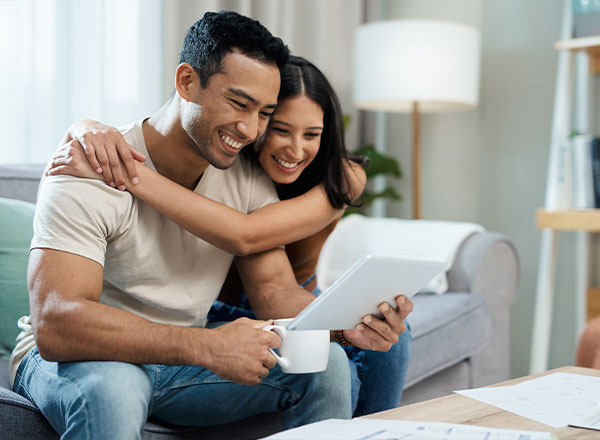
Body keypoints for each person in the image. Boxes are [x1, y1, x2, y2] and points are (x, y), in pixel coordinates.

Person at [11, 10, 412, 440]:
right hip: (81, 359)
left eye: (264, 113)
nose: (249, 128)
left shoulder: (247, 176)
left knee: (327, 365)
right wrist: (205, 345)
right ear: (187, 82)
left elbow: (273, 291)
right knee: (115, 388)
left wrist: (343, 327)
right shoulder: (92, 164)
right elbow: (57, 324)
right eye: (239, 103)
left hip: (182, 362)